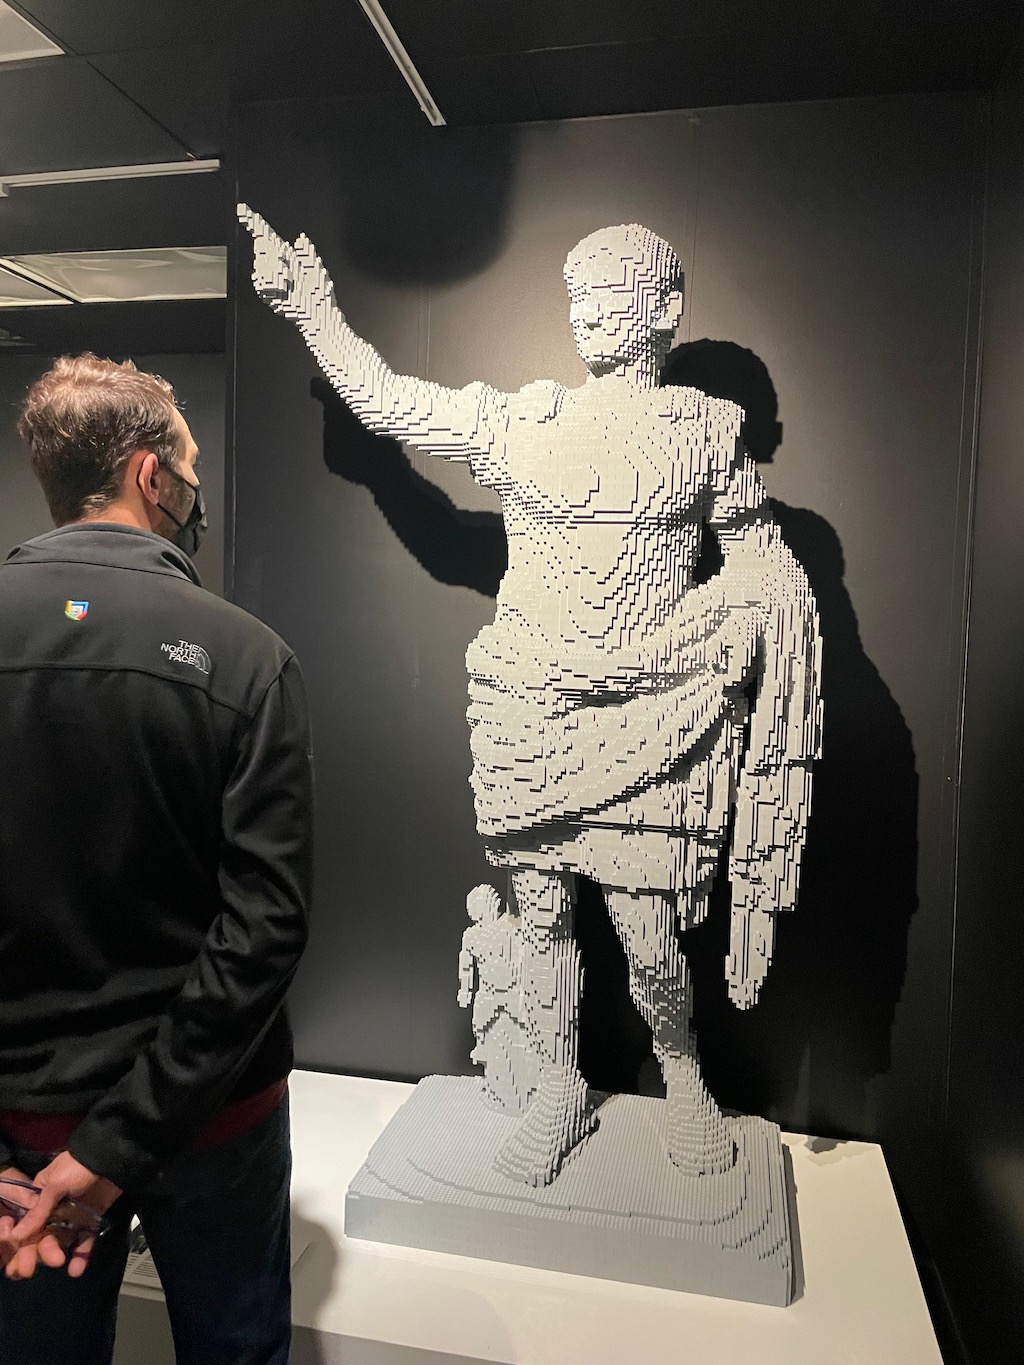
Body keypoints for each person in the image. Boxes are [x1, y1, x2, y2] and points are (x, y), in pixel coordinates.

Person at [239, 208, 819, 1189]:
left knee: (648, 935)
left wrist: (745, 615)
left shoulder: (705, 432)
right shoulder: (523, 422)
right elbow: (388, 402)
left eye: (611, 290)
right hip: (531, 705)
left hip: (651, 711)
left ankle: (682, 1070)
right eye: (577, 292)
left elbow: (758, 555)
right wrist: (312, 308)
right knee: (540, 915)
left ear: (664, 307)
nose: (588, 308)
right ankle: (557, 1086)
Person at [0, 354, 314, 1365]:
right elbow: (264, 927)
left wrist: (67, 1150)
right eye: (189, 466)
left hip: (25, 1134)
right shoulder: (248, 656)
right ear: (150, 473)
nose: (194, 489)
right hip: (213, 1116)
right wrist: (121, 1145)